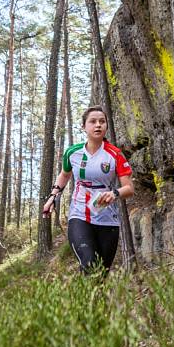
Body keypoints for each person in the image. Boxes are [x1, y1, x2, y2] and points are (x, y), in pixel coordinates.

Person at [42, 106, 134, 274]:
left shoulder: (115, 154)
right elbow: (64, 175)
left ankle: (86, 300)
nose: (98, 125)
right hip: (79, 216)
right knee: (89, 264)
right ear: (83, 126)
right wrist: (52, 196)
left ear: (106, 126)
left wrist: (114, 193)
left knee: (100, 275)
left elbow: (129, 188)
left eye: (102, 121)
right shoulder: (73, 152)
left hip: (107, 219)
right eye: (93, 121)